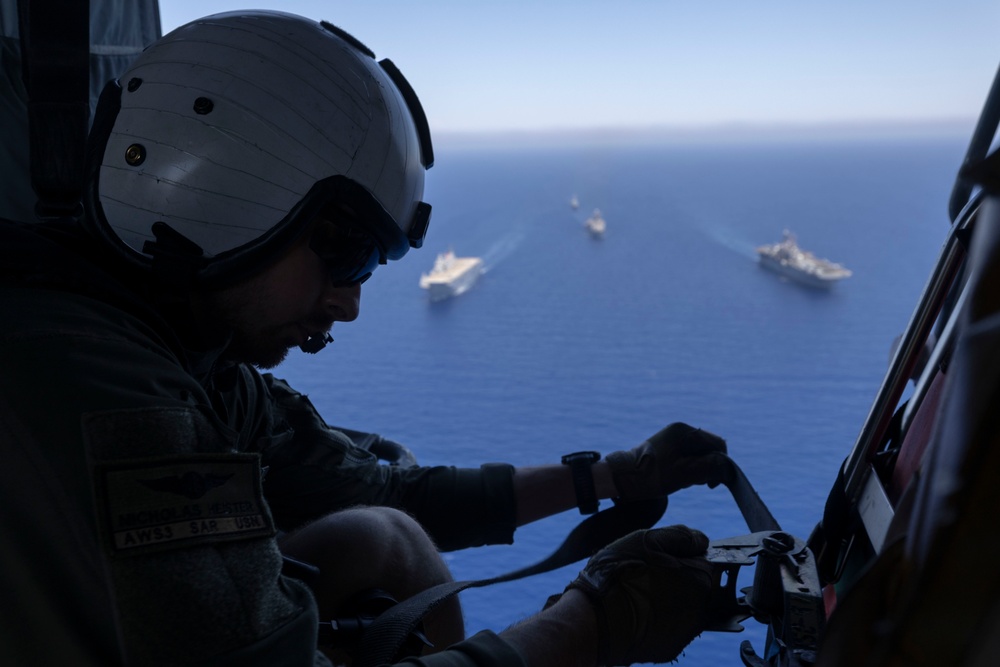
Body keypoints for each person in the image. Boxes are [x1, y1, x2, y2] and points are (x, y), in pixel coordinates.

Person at [0, 10, 729, 665]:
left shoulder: (183, 352)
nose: (348, 304)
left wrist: (607, 477)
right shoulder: (99, 388)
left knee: (383, 535)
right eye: (343, 255)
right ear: (219, 201)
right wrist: (597, 619)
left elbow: (389, 491)